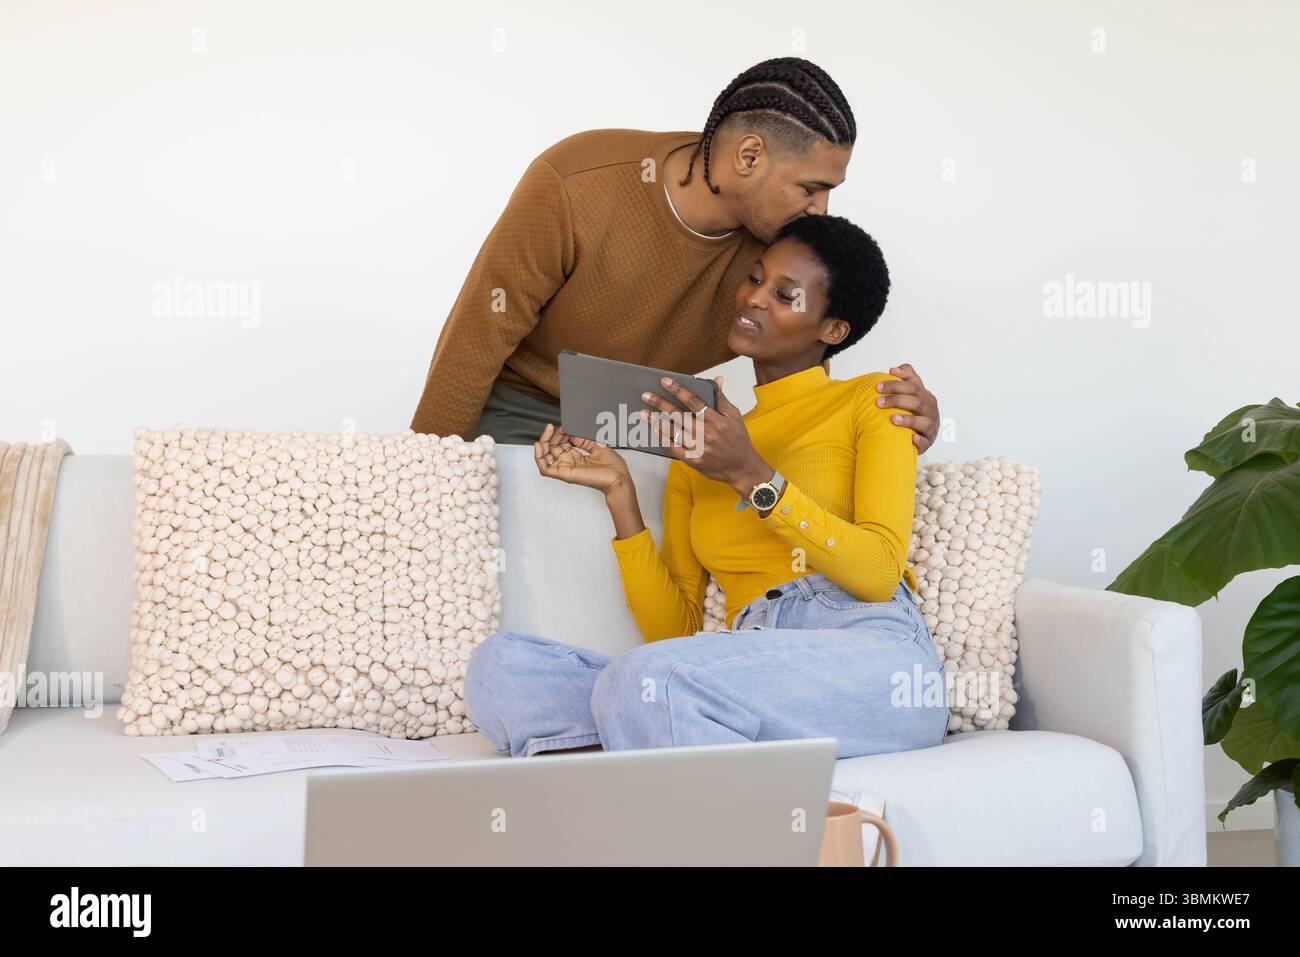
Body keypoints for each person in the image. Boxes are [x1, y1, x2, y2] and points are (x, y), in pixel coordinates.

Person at [462, 214, 949, 759]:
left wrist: (750, 473)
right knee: (501, 669)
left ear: (832, 330)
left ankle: (675, 771)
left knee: (651, 681)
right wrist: (620, 492)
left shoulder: (875, 400)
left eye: (784, 294)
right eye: (755, 277)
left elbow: (880, 573)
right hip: (745, 663)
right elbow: (676, 630)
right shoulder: (698, 448)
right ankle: (699, 746)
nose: (755, 298)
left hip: (872, 656)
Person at [409, 56, 941, 452]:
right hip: (525, 411)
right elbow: (480, 334)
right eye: (810, 188)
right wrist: (427, 477)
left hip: (654, 429)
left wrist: (891, 425)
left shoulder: (782, 250)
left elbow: (800, 387)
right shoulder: (577, 182)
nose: (821, 209)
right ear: (749, 155)